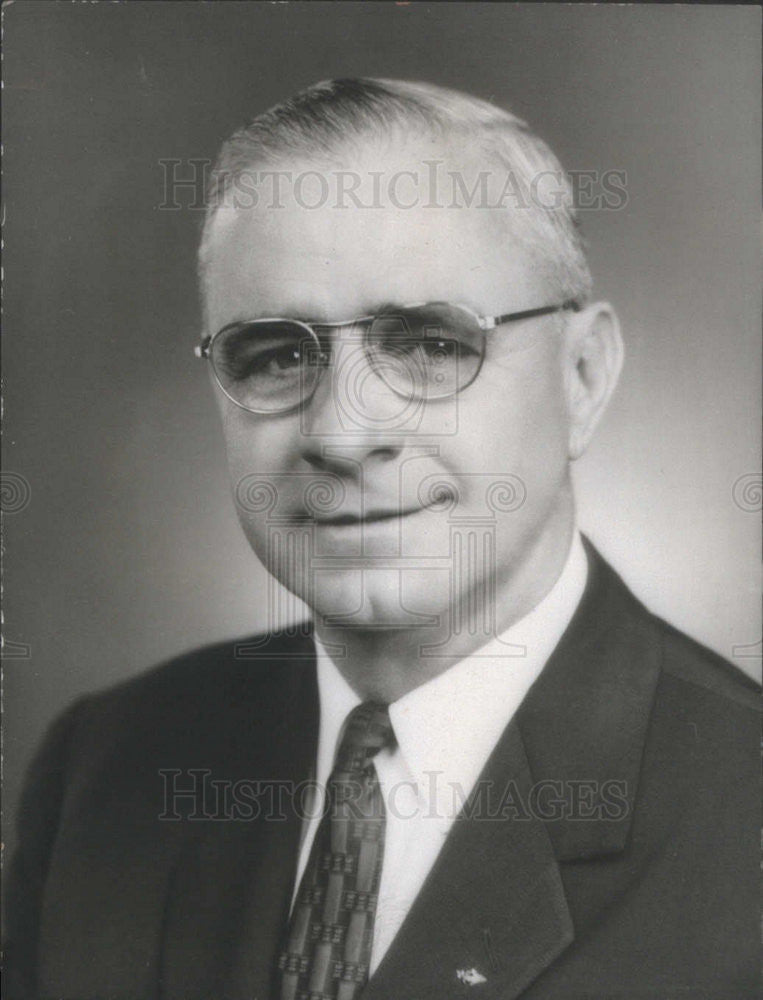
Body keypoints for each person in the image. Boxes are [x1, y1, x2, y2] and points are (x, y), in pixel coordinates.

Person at [5, 78, 759, 1000]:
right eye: (277, 354)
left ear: (584, 377)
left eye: (429, 344)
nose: (341, 433)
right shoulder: (103, 765)